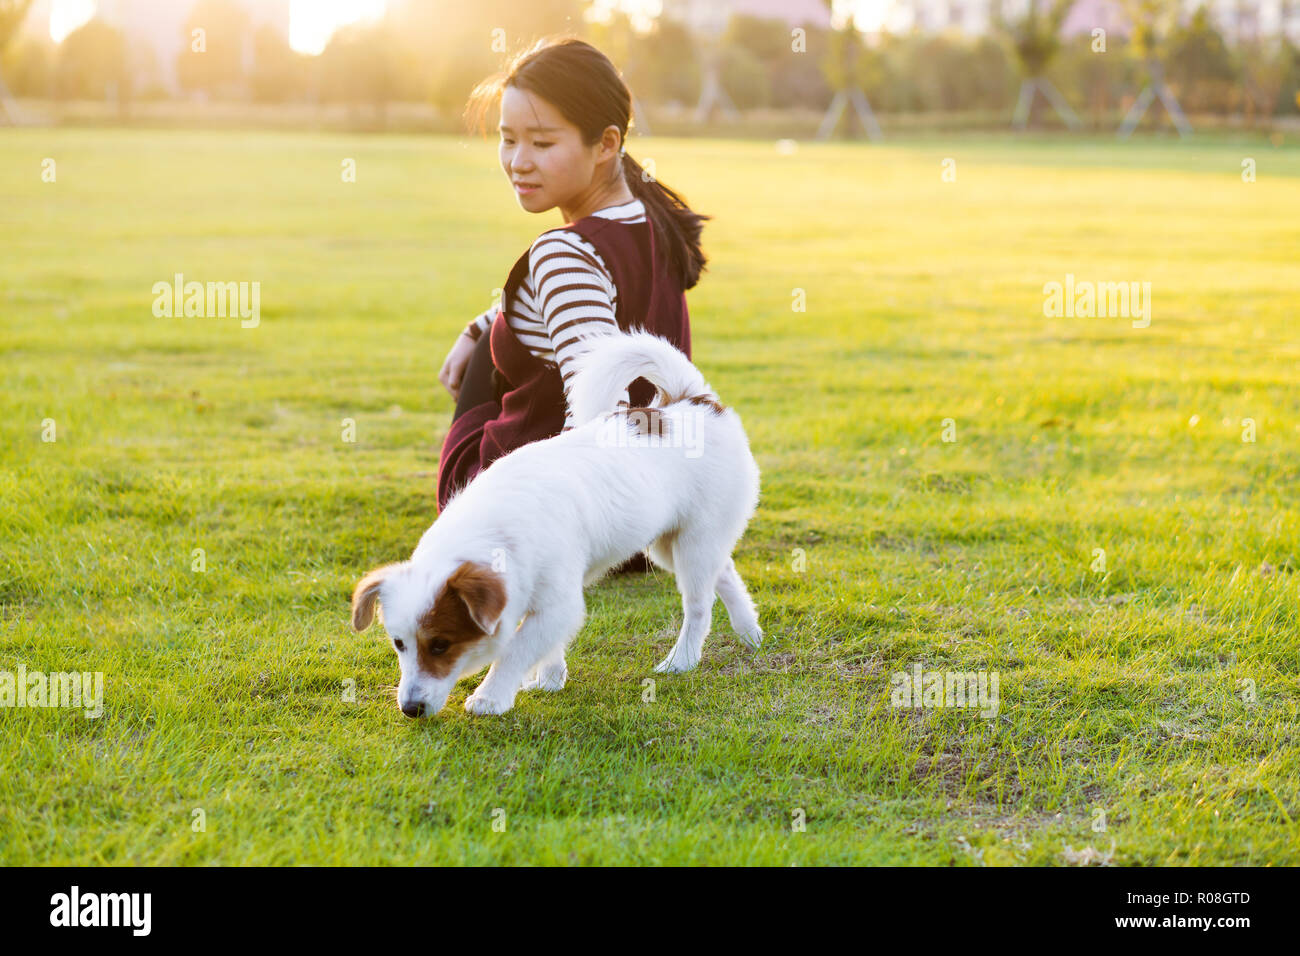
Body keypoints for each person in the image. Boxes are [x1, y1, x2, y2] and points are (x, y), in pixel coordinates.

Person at [436, 36, 711, 574]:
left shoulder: (564, 251)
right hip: (656, 515)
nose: (518, 161)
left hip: (564, 521)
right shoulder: (654, 223)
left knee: (491, 364)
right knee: (491, 342)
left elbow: (598, 411)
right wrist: (478, 327)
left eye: (541, 143)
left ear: (606, 143)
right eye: (507, 139)